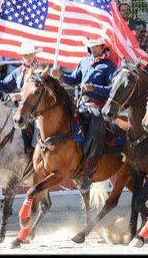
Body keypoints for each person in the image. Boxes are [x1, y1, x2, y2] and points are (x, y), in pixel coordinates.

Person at [50, 37, 116, 193]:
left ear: (102, 46)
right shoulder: (84, 62)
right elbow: (73, 80)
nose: (93, 49)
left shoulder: (109, 66)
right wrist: (60, 76)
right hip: (80, 103)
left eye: (95, 46)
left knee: (96, 125)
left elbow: (113, 90)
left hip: (99, 105)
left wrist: (94, 88)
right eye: (91, 46)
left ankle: (89, 167)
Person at [0, 40, 43, 151]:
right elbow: (4, 85)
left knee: (37, 125)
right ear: (22, 56)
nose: (27, 57)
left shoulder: (40, 71)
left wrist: (21, 95)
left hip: (36, 108)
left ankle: (33, 150)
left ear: (34, 54)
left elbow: (39, 91)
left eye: (30, 54)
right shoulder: (18, 72)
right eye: (25, 55)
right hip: (21, 107)